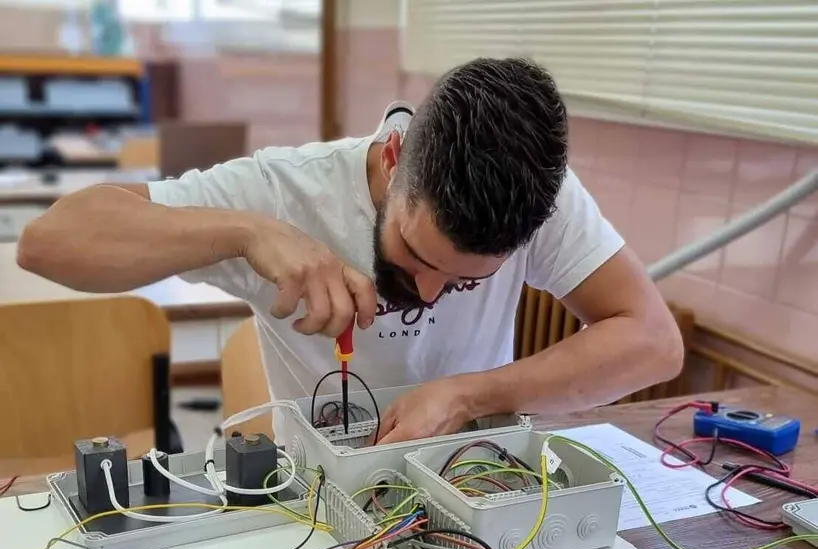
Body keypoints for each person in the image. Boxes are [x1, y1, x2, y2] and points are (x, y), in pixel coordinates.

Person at [17, 57, 683, 445]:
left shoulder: (540, 194)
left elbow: (654, 341)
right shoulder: (282, 190)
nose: (425, 294)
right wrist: (248, 233)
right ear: (395, 158)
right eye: (417, 258)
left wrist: (466, 395)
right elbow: (50, 242)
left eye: (465, 283)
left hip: (474, 480)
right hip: (316, 499)